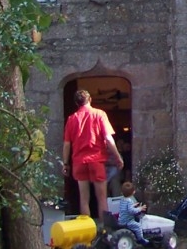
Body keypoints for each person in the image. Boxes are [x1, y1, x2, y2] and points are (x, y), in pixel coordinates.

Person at [62, 89, 124, 224]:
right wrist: (118, 156)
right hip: (96, 160)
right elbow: (108, 139)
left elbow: (67, 144)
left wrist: (65, 163)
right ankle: (104, 230)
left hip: (79, 161)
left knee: (84, 199)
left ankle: (88, 231)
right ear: (90, 100)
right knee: (102, 198)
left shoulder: (72, 119)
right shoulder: (99, 114)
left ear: (76, 103)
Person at [114, 181, 148, 245]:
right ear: (133, 192)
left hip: (121, 219)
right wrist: (140, 208)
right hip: (127, 221)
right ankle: (140, 239)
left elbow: (126, 208)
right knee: (138, 226)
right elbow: (132, 211)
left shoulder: (122, 199)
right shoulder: (129, 201)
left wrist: (134, 205)